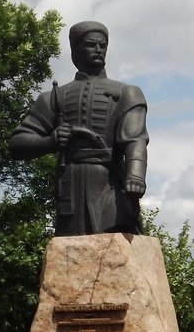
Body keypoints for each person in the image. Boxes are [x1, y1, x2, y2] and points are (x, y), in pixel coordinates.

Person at [9, 21, 148, 236]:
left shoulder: (127, 93)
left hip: (111, 182)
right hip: (70, 185)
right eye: (91, 45)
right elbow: (17, 143)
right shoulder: (55, 97)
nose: (98, 50)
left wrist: (136, 177)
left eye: (102, 45)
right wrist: (50, 141)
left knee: (115, 231)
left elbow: (135, 140)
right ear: (75, 49)